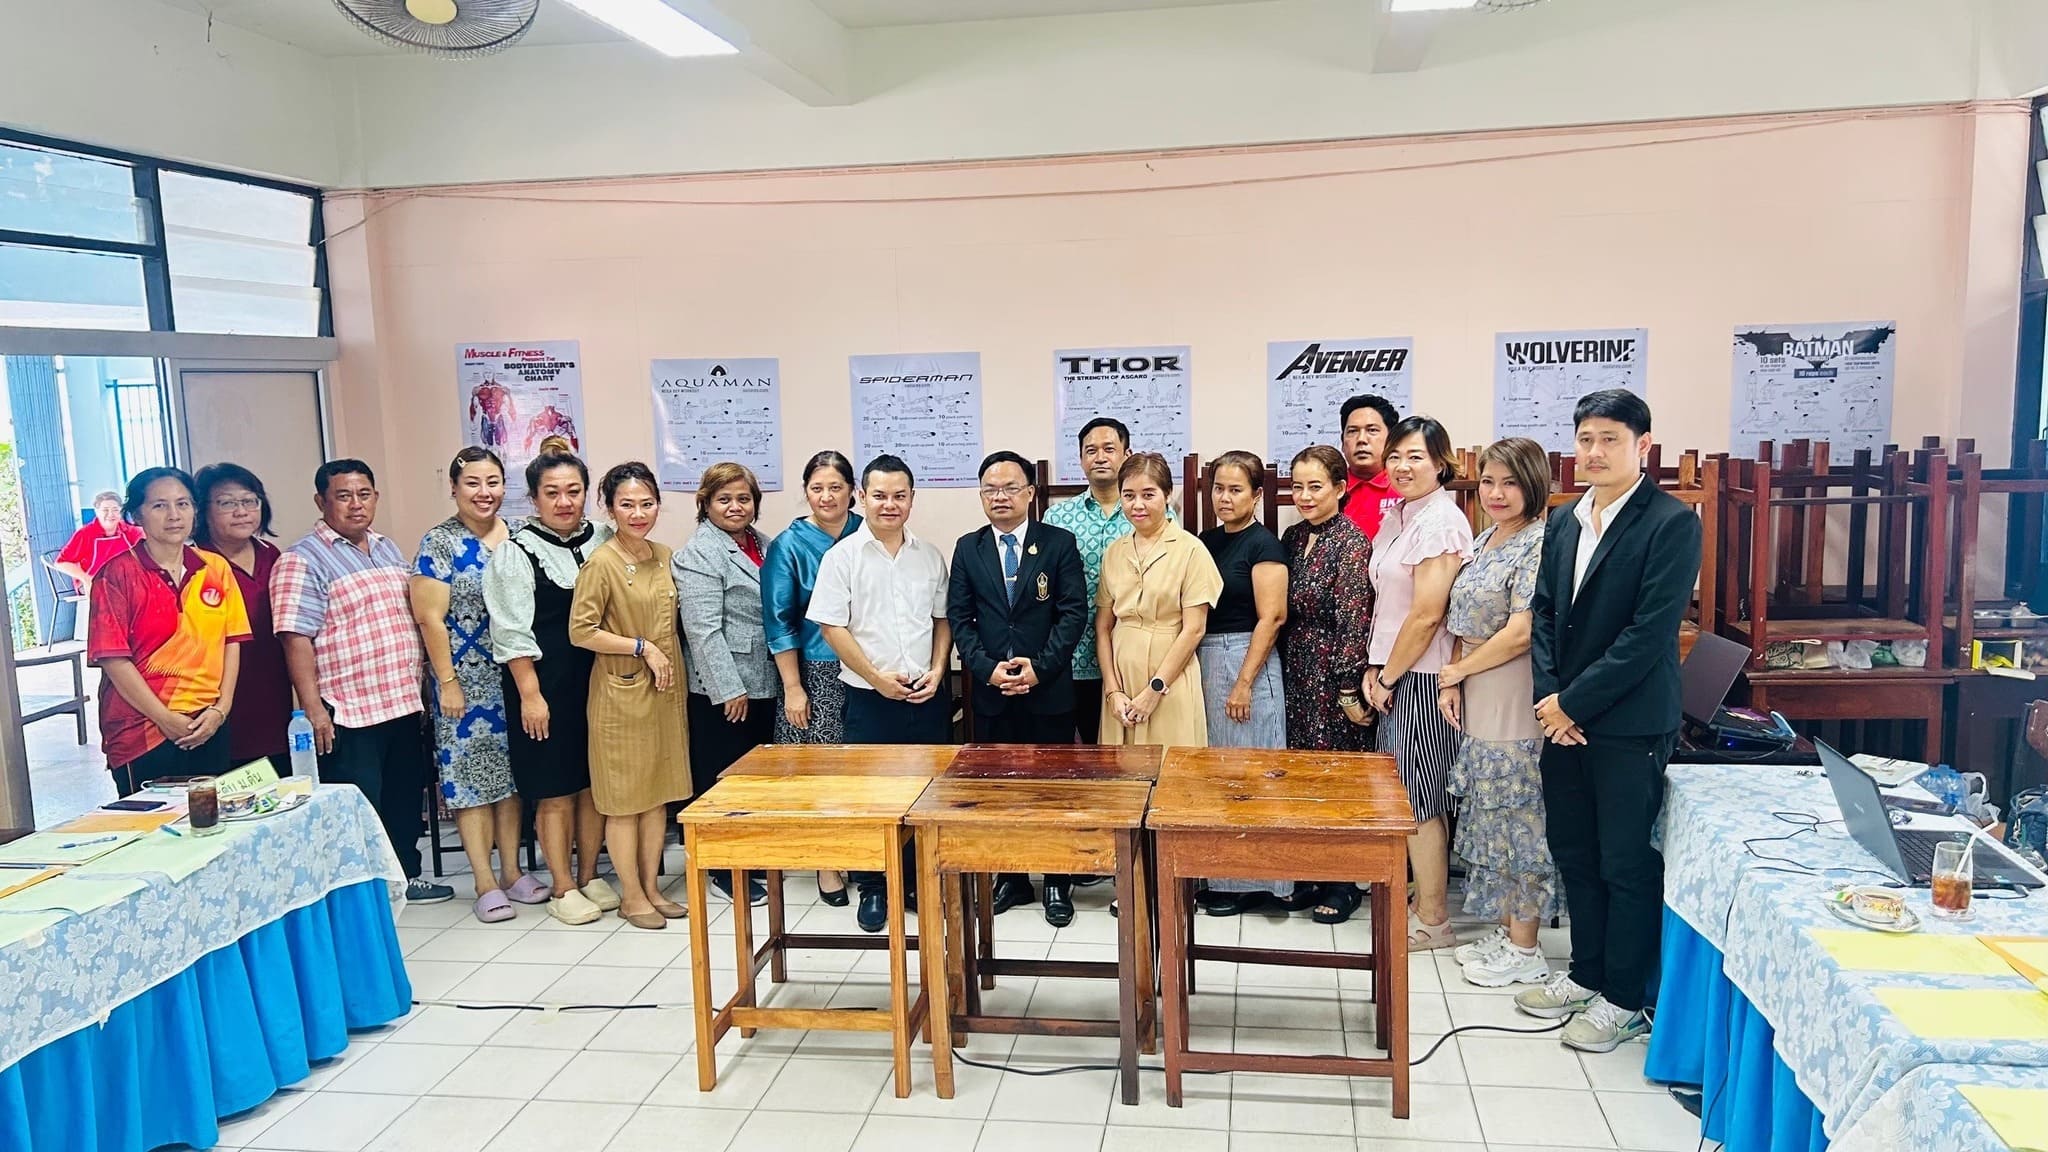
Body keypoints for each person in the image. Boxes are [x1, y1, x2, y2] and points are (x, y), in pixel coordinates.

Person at [1516, 390, 1702, 1054]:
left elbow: (1648, 635)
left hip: (1628, 722)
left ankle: (1624, 998)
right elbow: (1543, 615)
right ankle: (1585, 975)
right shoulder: (1565, 520)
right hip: (1562, 720)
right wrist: (1551, 700)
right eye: (1585, 439)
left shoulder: (1671, 523)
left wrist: (1574, 703)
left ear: (1642, 446)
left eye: (1609, 440)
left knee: (1624, 861)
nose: (1594, 452)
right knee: (1575, 851)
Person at [273, 460, 452, 904]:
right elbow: (295, 639)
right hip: (348, 709)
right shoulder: (301, 558)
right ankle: (360, 895)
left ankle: (404, 878)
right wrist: (313, 708)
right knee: (358, 806)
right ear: (321, 501)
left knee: (402, 800)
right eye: (344, 496)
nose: (356, 504)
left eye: (364, 494)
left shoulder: (387, 548)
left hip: (400, 702)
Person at [808, 454, 952, 933]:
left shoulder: (929, 555)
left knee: (926, 794)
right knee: (872, 795)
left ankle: (913, 882)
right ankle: (873, 885)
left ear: (912, 499)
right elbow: (832, 627)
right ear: (861, 497)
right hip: (869, 698)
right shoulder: (842, 557)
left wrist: (938, 670)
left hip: (925, 695)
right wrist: (875, 677)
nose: (890, 504)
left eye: (900, 496)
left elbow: (942, 621)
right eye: (880, 495)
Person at [947, 450, 1089, 926]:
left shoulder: (1058, 543)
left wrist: (1040, 668)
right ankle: (1011, 877)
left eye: (1010, 487)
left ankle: (1057, 879)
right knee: (1000, 789)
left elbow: (1073, 613)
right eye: (991, 488)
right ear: (981, 495)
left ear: (1030, 493)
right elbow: (960, 618)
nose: (1000, 496)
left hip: (1048, 690)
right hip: (990, 693)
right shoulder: (968, 547)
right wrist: (986, 669)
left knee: (1053, 791)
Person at [1438, 437, 1560, 987]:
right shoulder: (1486, 537)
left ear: (1533, 484)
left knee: (1521, 816)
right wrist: (1456, 677)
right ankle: (1509, 931)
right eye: (1488, 481)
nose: (1496, 493)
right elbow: (1462, 621)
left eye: (1510, 482)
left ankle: (1527, 947)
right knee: (1491, 812)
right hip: (1479, 686)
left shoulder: (1539, 542)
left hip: (1515, 689)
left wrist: (1458, 672)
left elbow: (1521, 631)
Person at [484, 437, 616, 926]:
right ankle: (562, 885)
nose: (564, 502)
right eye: (552, 493)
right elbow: (510, 631)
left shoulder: (602, 537)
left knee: (593, 785)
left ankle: (589, 874)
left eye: (574, 491)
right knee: (555, 788)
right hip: (544, 686)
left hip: (597, 684)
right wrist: (531, 695)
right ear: (534, 498)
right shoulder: (515, 552)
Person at [413, 448, 547, 924]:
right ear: (454, 488)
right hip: (464, 683)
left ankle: (512, 871)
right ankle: (485, 881)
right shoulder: (439, 542)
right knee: (469, 781)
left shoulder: (519, 535)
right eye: (472, 483)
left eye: (493, 482)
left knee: (511, 778)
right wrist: (447, 682)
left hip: (514, 677)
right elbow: (429, 618)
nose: (484, 492)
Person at [570, 462, 694, 930]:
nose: (638, 513)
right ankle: (631, 895)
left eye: (647, 504)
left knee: (656, 797)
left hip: (664, 693)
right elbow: (582, 631)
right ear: (609, 508)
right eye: (627, 505)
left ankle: (651, 888)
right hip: (621, 696)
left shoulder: (663, 555)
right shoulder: (601, 563)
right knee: (625, 801)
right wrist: (640, 647)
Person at [1365, 416, 1473, 949]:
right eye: (1395, 456)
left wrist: (1388, 675)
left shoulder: (1441, 523)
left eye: (1415, 457)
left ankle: (1435, 920)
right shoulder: (1401, 515)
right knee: (1406, 793)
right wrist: (1376, 668)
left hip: (1423, 678)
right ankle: (1423, 901)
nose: (1402, 466)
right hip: (1394, 673)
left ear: (1440, 463)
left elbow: (1429, 614)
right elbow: (1389, 606)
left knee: (1422, 799)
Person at [88, 468, 249, 794]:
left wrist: (221, 710)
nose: (174, 515)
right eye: (159, 505)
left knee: (212, 819)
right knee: (154, 823)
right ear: (136, 515)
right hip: (142, 729)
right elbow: (114, 659)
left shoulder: (215, 568)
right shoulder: (116, 574)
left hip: (207, 722)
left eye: (183, 504)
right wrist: (165, 718)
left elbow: (231, 641)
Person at [1194, 451, 1298, 917]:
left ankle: (1263, 881)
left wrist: (1243, 683)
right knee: (1222, 775)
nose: (1225, 498)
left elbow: (1272, 618)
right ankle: (1226, 878)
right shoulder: (1205, 541)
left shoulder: (1264, 545)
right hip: (1207, 658)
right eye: (1219, 488)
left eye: (1236, 489)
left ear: (1256, 495)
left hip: (1246, 660)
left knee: (1255, 775)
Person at [1278, 444, 1377, 921]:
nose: (1305, 496)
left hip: (1331, 673)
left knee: (1336, 779)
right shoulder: (1293, 536)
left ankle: (1343, 882)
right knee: (1300, 775)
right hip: (1294, 666)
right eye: (1297, 486)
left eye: (1315, 486)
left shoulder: (1351, 541)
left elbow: (1354, 621)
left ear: (1339, 488)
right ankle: (1310, 871)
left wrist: (1347, 689)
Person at [762, 450, 864, 907]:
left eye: (835, 487)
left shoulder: (867, 530)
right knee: (824, 770)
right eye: (817, 488)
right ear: (806, 492)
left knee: (864, 767)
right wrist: (793, 687)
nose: (826, 496)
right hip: (817, 671)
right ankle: (826, 861)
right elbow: (779, 620)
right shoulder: (789, 544)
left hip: (869, 667)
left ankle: (864, 852)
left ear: (852, 491)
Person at [676, 461, 779, 908]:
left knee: (753, 778)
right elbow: (702, 630)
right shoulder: (699, 552)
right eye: (724, 499)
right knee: (722, 777)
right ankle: (721, 867)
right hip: (726, 687)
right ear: (706, 503)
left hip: (766, 677)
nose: (735, 506)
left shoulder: (763, 543)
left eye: (743, 498)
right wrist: (728, 688)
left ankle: (748, 855)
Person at [1095, 452, 1220, 748]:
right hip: (1121, 675)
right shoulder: (1114, 552)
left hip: (1170, 678)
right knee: (1121, 768)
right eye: (1129, 495)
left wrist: (1154, 689)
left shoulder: (1191, 550)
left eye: (1148, 495)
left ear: (1167, 494)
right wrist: (1112, 691)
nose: (1137, 504)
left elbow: (1194, 629)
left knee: (1170, 764)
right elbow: (1102, 627)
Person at [1043, 417, 1149, 743]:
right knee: (1071, 751)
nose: (1100, 457)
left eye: (1109, 449)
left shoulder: (1148, 513)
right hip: (1071, 655)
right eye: (1091, 451)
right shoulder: (1057, 518)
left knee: (1128, 753)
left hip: (1131, 657)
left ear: (1127, 455)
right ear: (1080, 459)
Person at [193, 463, 292, 774]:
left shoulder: (271, 554)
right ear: (203, 511)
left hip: (273, 692)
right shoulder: (194, 563)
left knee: (277, 783)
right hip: (220, 699)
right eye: (227, 503)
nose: (242, 512)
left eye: (250, 501)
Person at [50, 490, 143, 591]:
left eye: (115, 510)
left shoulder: (130, 530)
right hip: (92, 582)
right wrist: (86, 578)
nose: (110, 514)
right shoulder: (85, 534)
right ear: (97, 511)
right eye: (105, 510)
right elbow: (61, 563)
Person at [1338, 394, 1400, 541]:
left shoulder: (1406, 487)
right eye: (1352, 431)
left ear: (1392, 440)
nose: (1361, 439)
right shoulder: (1331, 490)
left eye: (1372, 430)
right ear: (1342, 443)